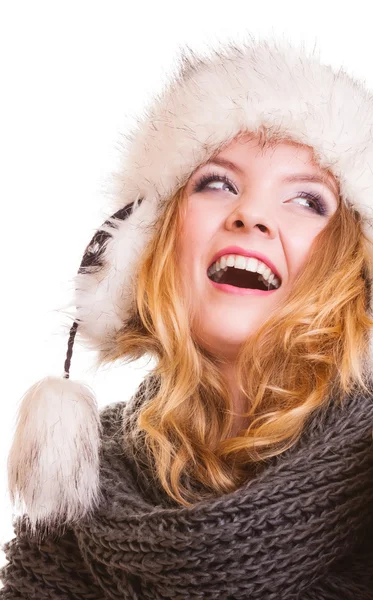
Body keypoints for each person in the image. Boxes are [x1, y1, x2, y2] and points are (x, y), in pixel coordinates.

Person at [2, 34, 373, 599]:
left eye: (307, 200)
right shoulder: (74, 502)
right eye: (217, 184)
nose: (250, 214)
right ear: (146, 245)